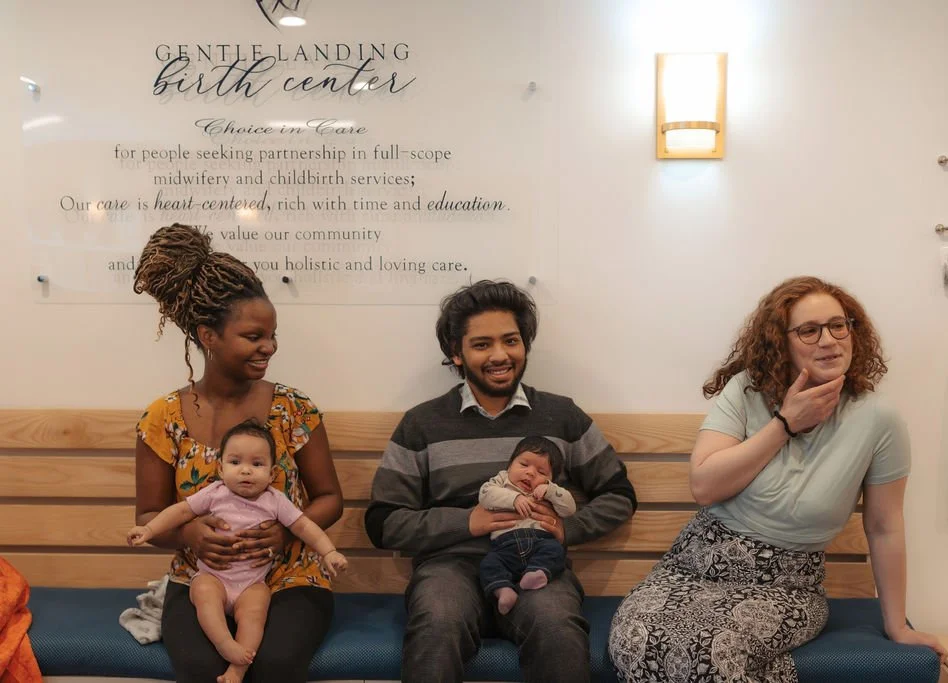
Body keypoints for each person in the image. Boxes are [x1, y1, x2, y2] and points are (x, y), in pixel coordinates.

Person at [608, 276, 947, 683]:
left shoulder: (878, 419)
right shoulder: (746, 391)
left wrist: (898, 627)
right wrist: (785, 424)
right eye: (809, 330)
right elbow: (704, 486)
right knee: (635, 636)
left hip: (786, 586)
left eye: (839, 325)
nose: (829, 340)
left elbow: (884, 525)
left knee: (711, 648)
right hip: (693, 566)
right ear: (780, 342)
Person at [365, 279, 637, 683]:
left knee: (557, 628)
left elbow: (619, 495)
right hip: (449, 567)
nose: (500, 355)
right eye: (481, 345)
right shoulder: (421, 423)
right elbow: (383, 522)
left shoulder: (562, 416)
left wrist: (565, 528)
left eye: (511, 340)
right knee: (438, 622)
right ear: (456, 354)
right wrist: (466, 523)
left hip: (539, 564)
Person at [132, 223, 344, 683]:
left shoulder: (294, 409)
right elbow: (150, 513)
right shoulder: (162, 418)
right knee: (199, 668)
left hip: (291, 577)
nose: (269, 347)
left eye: (272, 334)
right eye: (253, 336)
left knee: (274, 664)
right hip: (200, 578)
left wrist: (285, 536)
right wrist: (190, 534)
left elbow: (329, 497)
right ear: (208, 336)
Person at [128, 419, 348, 683]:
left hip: (252, 582)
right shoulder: (215, 493)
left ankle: (238, 669)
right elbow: (181, 511)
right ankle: (224, 643)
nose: (246, 471)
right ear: (220, 468)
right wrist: (149, 530)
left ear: (272, 472)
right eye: (235, 463)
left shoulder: (275, 501)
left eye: (257, 464)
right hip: (214, 576)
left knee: (255, 613)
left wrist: (329, 552)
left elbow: (305, 527)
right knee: (204, 594)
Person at [478, 435, 577, 615]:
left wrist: (551, 490)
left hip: (540, 541)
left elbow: (569, 509)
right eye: (524, 465)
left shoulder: (550, 490)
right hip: (504, 546)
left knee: (556, 551)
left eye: (542, 472)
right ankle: (504, 591)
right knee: (488, 564)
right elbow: (485, 495)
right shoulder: (501, 480)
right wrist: (513, 498)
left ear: (551, 478)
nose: (531, 473)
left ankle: (537, 573)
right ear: (510, 466)